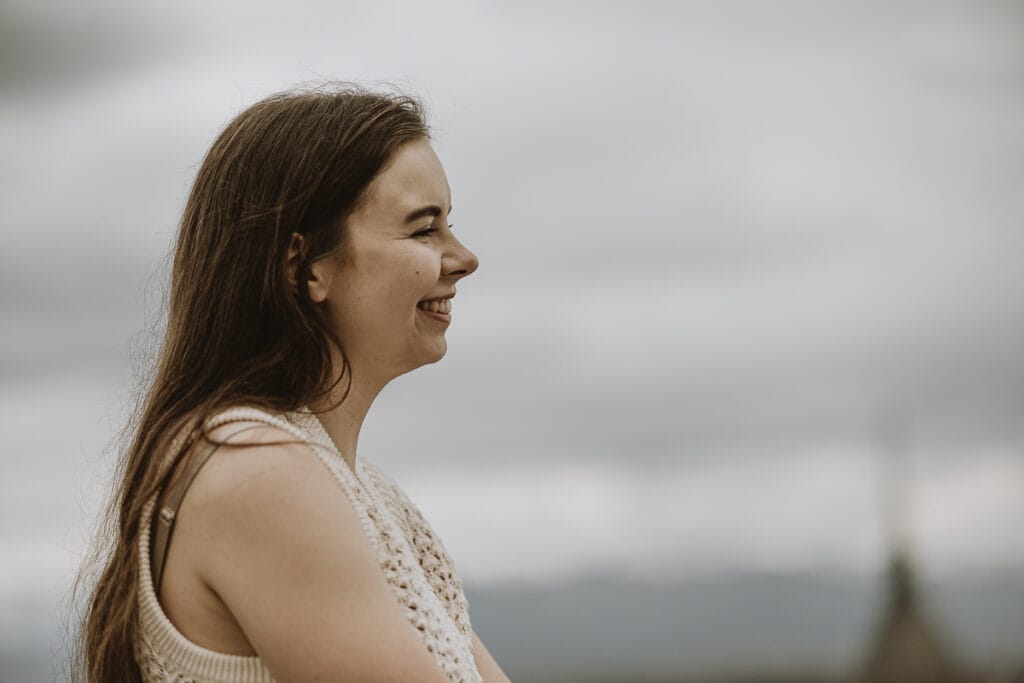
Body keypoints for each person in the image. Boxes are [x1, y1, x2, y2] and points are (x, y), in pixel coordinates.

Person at [75, 84, 509, 682]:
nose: (464, 258)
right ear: (305, 267)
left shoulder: (371, 495)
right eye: (423, 230)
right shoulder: (256, 469)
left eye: (448, 226)